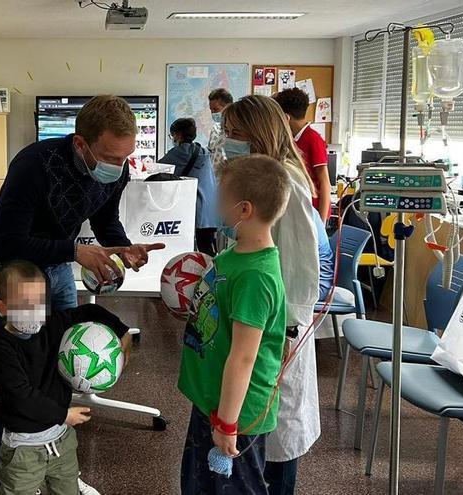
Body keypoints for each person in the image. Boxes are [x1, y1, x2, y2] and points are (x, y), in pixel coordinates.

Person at [0, 95, 164, 455]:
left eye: (125, 157)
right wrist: (75, 251)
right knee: (15, 368)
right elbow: (7, 240)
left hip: (58, 263)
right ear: (80, 143)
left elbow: (105, 216)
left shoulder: (118, 169)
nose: (119, 166)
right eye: (111, 157)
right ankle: (12, 466)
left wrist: (123, 248)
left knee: (61, 358)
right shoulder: (35, 164)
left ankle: (53, 458)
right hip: (12, 268)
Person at [222, 95, 320, 495]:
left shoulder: (287, 184)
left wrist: (287, 333)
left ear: (258, 135)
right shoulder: (257, 178)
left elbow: (299, 267)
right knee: (260, 426)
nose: (229, 142)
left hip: (282, 329)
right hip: (256, 317)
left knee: (277, 436)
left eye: (236, 135)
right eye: (226, 134)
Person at [178, 154, 290, 494]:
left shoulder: (256, 276)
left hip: (235, 416)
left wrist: (227, 424)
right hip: (211, 402)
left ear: (244, 210)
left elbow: (244, 357)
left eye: (220, 197)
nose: (214, 203)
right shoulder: (231, 255)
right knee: (198, 486)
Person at [0, 260, 132, 495]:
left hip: (61, 441)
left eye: (39, 303)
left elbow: (89, 312)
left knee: (66, 488)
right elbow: (21, 396)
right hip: (23, 448)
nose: (34, 312)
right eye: (24, 304)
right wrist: (63, 415)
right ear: (2, 308)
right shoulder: (3, 348)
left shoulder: (52, 325)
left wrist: (123, 331)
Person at [159, 118, 218, 256]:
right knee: (208, 250)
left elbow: (157, 170)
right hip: (210, 211)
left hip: (193, 211)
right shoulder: (204, 152)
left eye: (172, 135)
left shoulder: (178, 153)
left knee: (189, 250)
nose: (172, 139)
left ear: (178, 135)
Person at [273, 88, 332, 222]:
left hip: (314, 212)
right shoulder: (291, 139)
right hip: (300, 208)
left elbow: (324, 182)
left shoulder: (313, 138)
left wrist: (321, 223)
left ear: (286, 118)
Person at [206, 88, 234, 172]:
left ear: (228, 107)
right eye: (211, 110)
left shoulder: (237, 131)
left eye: (216, 109)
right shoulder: (215, 129)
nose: (213, 113)